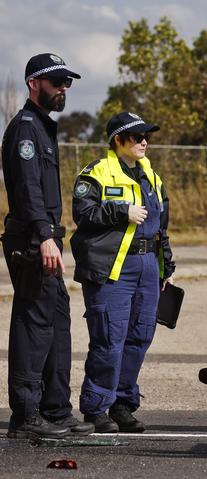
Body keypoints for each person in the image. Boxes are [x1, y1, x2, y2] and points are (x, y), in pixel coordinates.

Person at [1, 53, 94, 438]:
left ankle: (55, 410)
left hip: (48, 238)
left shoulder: (43, 128)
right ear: (33, 84)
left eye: (66, 83)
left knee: (57, 325)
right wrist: (43, 235)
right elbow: (26, 189)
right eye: (56, 82)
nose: (63, 89)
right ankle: (25, 417)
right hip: (32, 239)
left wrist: (52, 236)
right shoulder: (25, 129)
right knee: (34, 326)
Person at [70, 112, 175, 433]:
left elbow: (162, 225)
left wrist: (166, 265)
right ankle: (96, 406)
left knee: (140, 337)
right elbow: (82, 212)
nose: (144, 141)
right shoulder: (97, 173)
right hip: (112, 268)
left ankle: (122, 404)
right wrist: (121, 211)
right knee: (108, 339)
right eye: (137, 136)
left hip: (147, 267)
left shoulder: (152, 177)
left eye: (147, 136)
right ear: (118, 140)